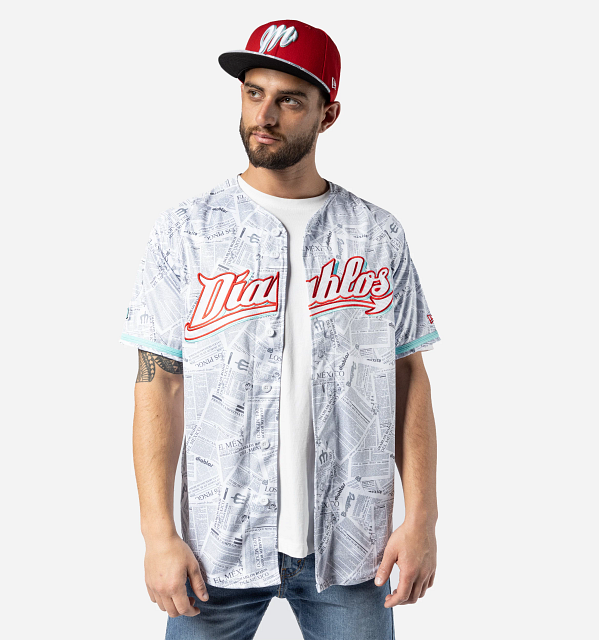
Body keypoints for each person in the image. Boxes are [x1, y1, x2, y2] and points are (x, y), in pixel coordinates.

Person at [119, 18, 441, 640]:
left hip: (352, 551)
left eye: (290, 100)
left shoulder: (376, 234)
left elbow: (409, 379)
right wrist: (158, 535)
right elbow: (158, 383)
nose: (263, 116)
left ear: (328, 115)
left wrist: (422, 517)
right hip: (216, 549)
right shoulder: (186, 231)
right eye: (253, 93)